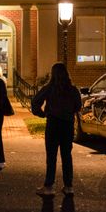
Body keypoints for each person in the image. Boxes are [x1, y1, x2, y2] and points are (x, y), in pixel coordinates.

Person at [31, 62, 82, 196]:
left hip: (53, 124)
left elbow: (36, 101)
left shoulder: (50, 88)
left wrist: (41, 113)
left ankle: (49, 186)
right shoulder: (73, 89)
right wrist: (69, 111)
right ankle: (68, 185)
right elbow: (78, 106)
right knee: (66, 155)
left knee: (51, 156)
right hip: (67, 125)